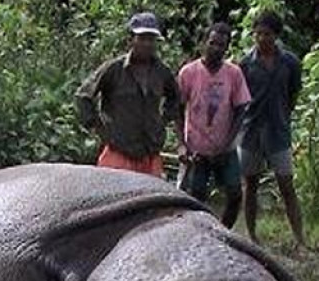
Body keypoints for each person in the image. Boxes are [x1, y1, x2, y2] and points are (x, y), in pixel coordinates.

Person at [76, 12, 184, 177]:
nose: (147, 44)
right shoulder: (113, 70)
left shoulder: (162, 72)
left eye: (151, 39)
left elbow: (175, 98)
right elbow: (83, 96)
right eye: (142, 38)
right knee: (114, 198)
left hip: (150, 152)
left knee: (151, 201)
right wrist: (99, 129)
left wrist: (162, 121)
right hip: (119, 152)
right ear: (131, 40)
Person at [238, 11, 306, 246]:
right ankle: (251, 236)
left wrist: (283, 116)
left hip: (278, 130)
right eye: (258, 34)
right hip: (251, 130)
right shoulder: (246, 63)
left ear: (276, 35)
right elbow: (240, 97)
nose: (262, 39)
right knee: (251, 186)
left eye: (267, 34)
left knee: (287, 185)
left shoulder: (290, 63)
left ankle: (299, 238)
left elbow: (293, 94)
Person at [177, 22, 251, 227]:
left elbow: (240, 110)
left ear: (227, 48)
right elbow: (177, 109)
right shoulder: (188, 73)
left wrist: (228, 143)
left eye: (221, 45)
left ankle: (224, 232)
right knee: (195, 196)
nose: (216, 49)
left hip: (224, 148)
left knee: (235, 194)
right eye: (212, 43)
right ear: (204, 43)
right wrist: (182, 144)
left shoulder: (233, 74)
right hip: (196, 148)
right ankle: (194, 233)